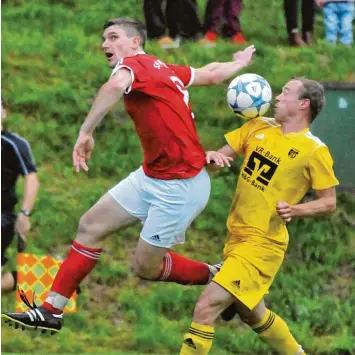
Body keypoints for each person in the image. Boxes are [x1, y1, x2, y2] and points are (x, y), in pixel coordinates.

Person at [2, 17, 255, 333]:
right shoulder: (161, 69)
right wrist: (237, 63)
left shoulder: (134, 66)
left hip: (180, 187)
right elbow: (211, 74)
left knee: (144, 267)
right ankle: (52, 311)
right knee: (90, 226)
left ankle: (217, 275)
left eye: (113, 37)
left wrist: (85, 132)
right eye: (103, 40)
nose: (105, 45)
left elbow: (114, 85)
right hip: (151, 177)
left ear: (135, 42)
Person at [179, 78, 338, 355]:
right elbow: (217, 163)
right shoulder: (258, 126)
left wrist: (296, 209)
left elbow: (328, 202)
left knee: (206, 307)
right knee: (252, 314)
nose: (276, 97)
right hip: (236, 238)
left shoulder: (314, 150)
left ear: (303, 104)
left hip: (263, 244)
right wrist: (213, 157)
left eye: (285, 92)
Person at [1, 97, 40, 294]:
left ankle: (34, 278)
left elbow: (31, 179)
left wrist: (25, 214)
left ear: (4, 112)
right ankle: (28, 278)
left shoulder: (14, 144)